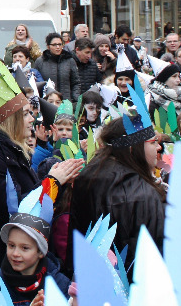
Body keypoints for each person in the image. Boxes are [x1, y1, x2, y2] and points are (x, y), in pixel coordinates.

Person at [0, 69, 81, 274]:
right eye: (25, 114)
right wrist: (53, 182)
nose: (32, 119)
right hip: (1, 263)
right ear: (9, 120)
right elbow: (15, 212)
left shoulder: (6, 148)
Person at [70, 115, 165, 276]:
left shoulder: (90, 173)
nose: (159, 147)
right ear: (132, 147)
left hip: (88, 281)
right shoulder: (142, 194)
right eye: (153, 142)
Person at [34, 32, 76, 102]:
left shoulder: (70, 60)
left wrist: (74, 98)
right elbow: (36, 83)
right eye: (54, 45)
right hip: (48, 102)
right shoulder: (40, 62)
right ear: (48, 46)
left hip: (66, 102)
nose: (58, 47)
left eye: (60, 44)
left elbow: (76, 82)